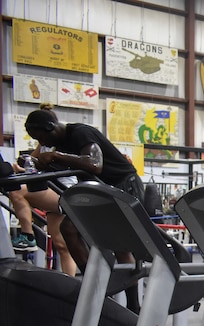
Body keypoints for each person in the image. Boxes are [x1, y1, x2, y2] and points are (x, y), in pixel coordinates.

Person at [24, 108, 147, 311]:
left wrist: (56, 156)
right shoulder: (60, 143)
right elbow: (68, 167)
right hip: (101, 191)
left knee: (119, 244)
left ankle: (133, 304)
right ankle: (95, 284)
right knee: (69, 228)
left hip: (124, 186)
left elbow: (95, 164)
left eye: (42, 138)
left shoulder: (80, 133)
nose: (43, 144)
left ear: (50, 128)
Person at [7, 105, 77, 275]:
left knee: (18, 191)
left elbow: (52, 165)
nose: (39, 139)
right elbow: (34, 161)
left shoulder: (63, 141)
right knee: (61, 244)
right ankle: (70, 282)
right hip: (50, 188)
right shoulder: (43, 142)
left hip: (64, 190)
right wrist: (22, 166)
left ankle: (28, 235)